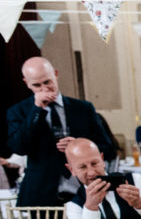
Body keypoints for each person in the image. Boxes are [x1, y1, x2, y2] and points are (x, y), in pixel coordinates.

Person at [7, 56, 114, 207]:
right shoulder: (18, 111)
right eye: (37, 85)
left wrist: (79, 145)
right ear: (27, 83)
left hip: (84, 190)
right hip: (42, 193)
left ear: (55, 74)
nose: (44, 88)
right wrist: (37, 109)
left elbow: (108, 148)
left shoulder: (83, 108)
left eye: (47, 82)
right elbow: (19, 147)